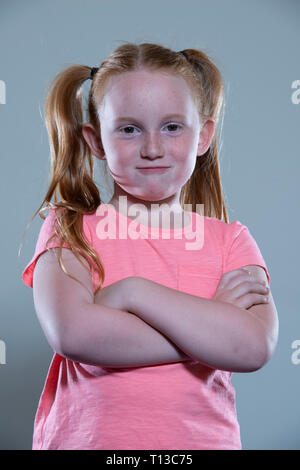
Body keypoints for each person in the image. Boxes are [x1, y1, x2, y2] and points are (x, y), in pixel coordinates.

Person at [19, 42, 279, 450]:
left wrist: (131, 292)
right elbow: (73, 333)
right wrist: (210, 330)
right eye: (129, 128)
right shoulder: (69, 227)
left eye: (172, 127)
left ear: (203, 136)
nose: (153, 148)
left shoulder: (231, 241)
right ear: (96, 141)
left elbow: (251, 347)